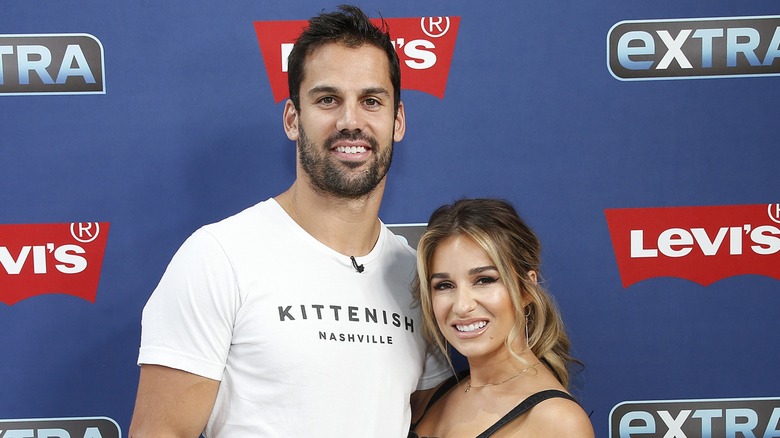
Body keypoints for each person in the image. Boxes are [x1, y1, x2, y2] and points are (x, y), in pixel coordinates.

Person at [128, 5, 450, 437]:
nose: (350, 121)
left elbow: (433, 424)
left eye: (371, 101)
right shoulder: (220, 257)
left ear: (398, 121)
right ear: (293, 119)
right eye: (327, 100)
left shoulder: (416, 276)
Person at [409, 198, 595, 437]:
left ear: (526, 287)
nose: (462, 305)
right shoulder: (430, 399)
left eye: (484, 280)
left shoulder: (557, 421)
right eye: (444, 285)